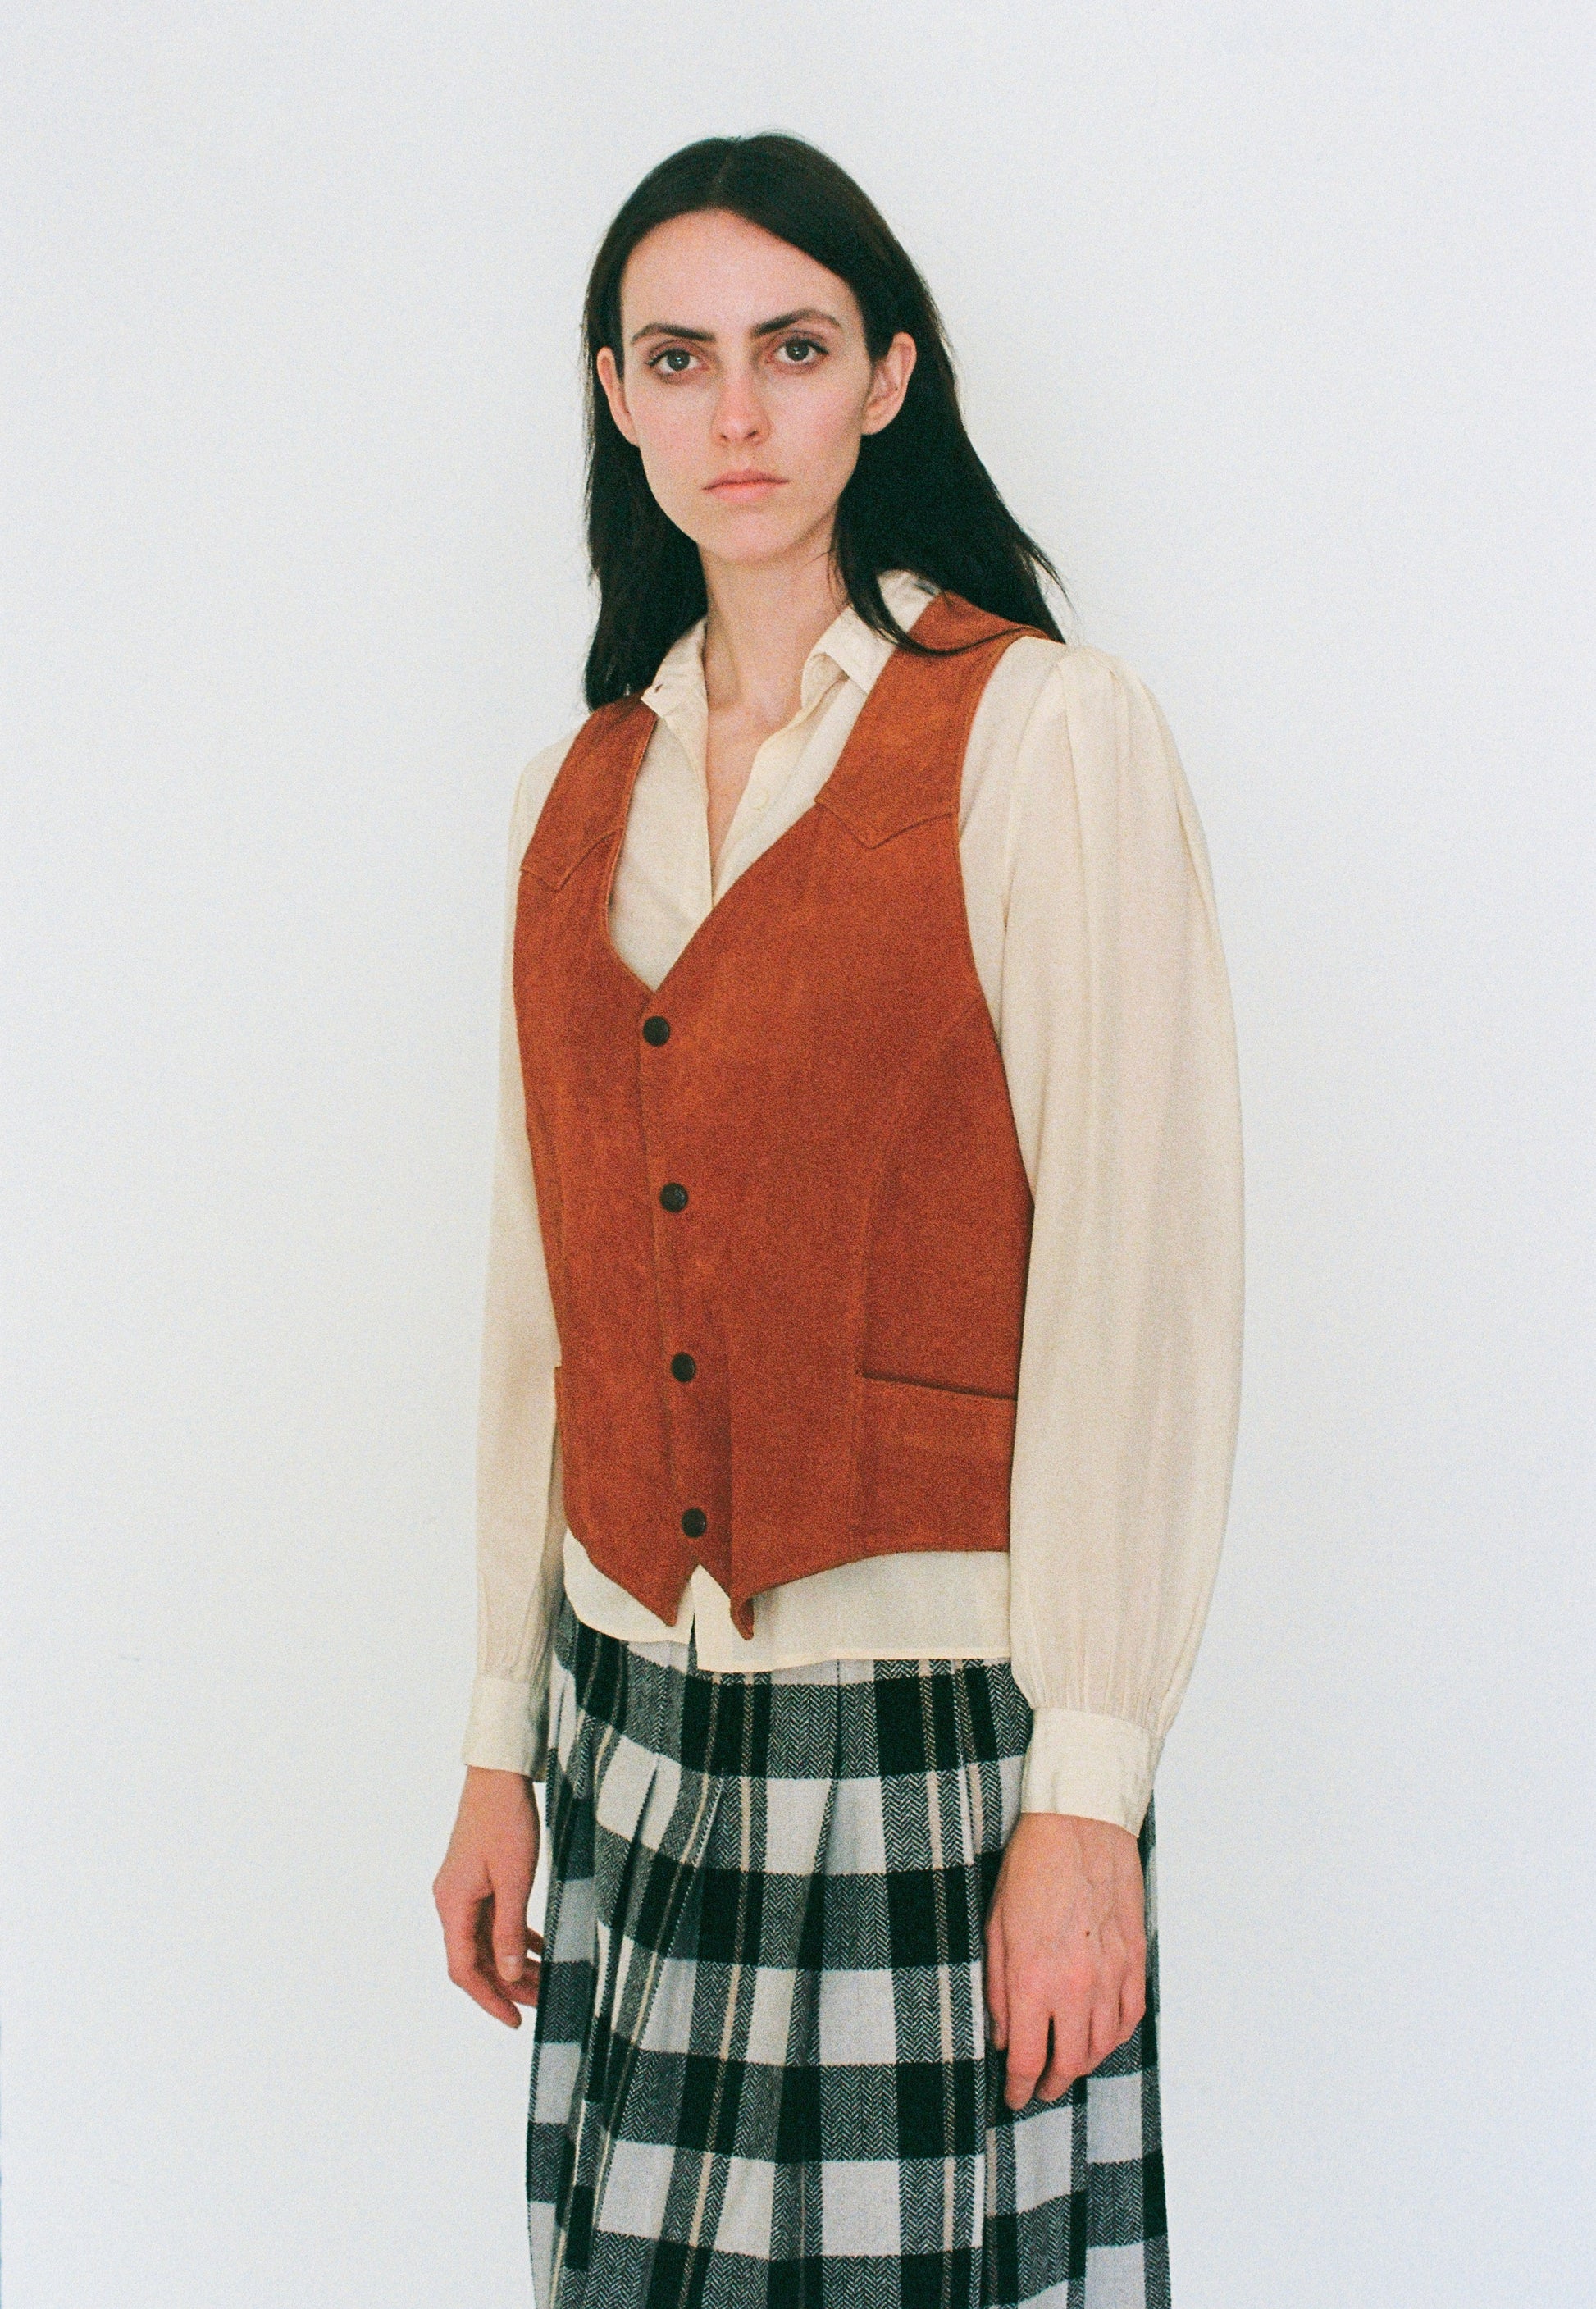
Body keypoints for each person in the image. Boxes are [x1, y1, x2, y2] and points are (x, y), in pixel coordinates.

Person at [433, 130, 1243, 2309]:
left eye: (787, 352)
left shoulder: (1039, 738)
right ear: (615, 396)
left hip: (935, 1725)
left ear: (885, 378)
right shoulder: (572, 791)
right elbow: (549, 1312)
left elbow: (1134, 1284)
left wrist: (1088, 1783)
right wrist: (501, 1739)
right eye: (676, 360)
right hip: (628, 1725)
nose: (733, 414)